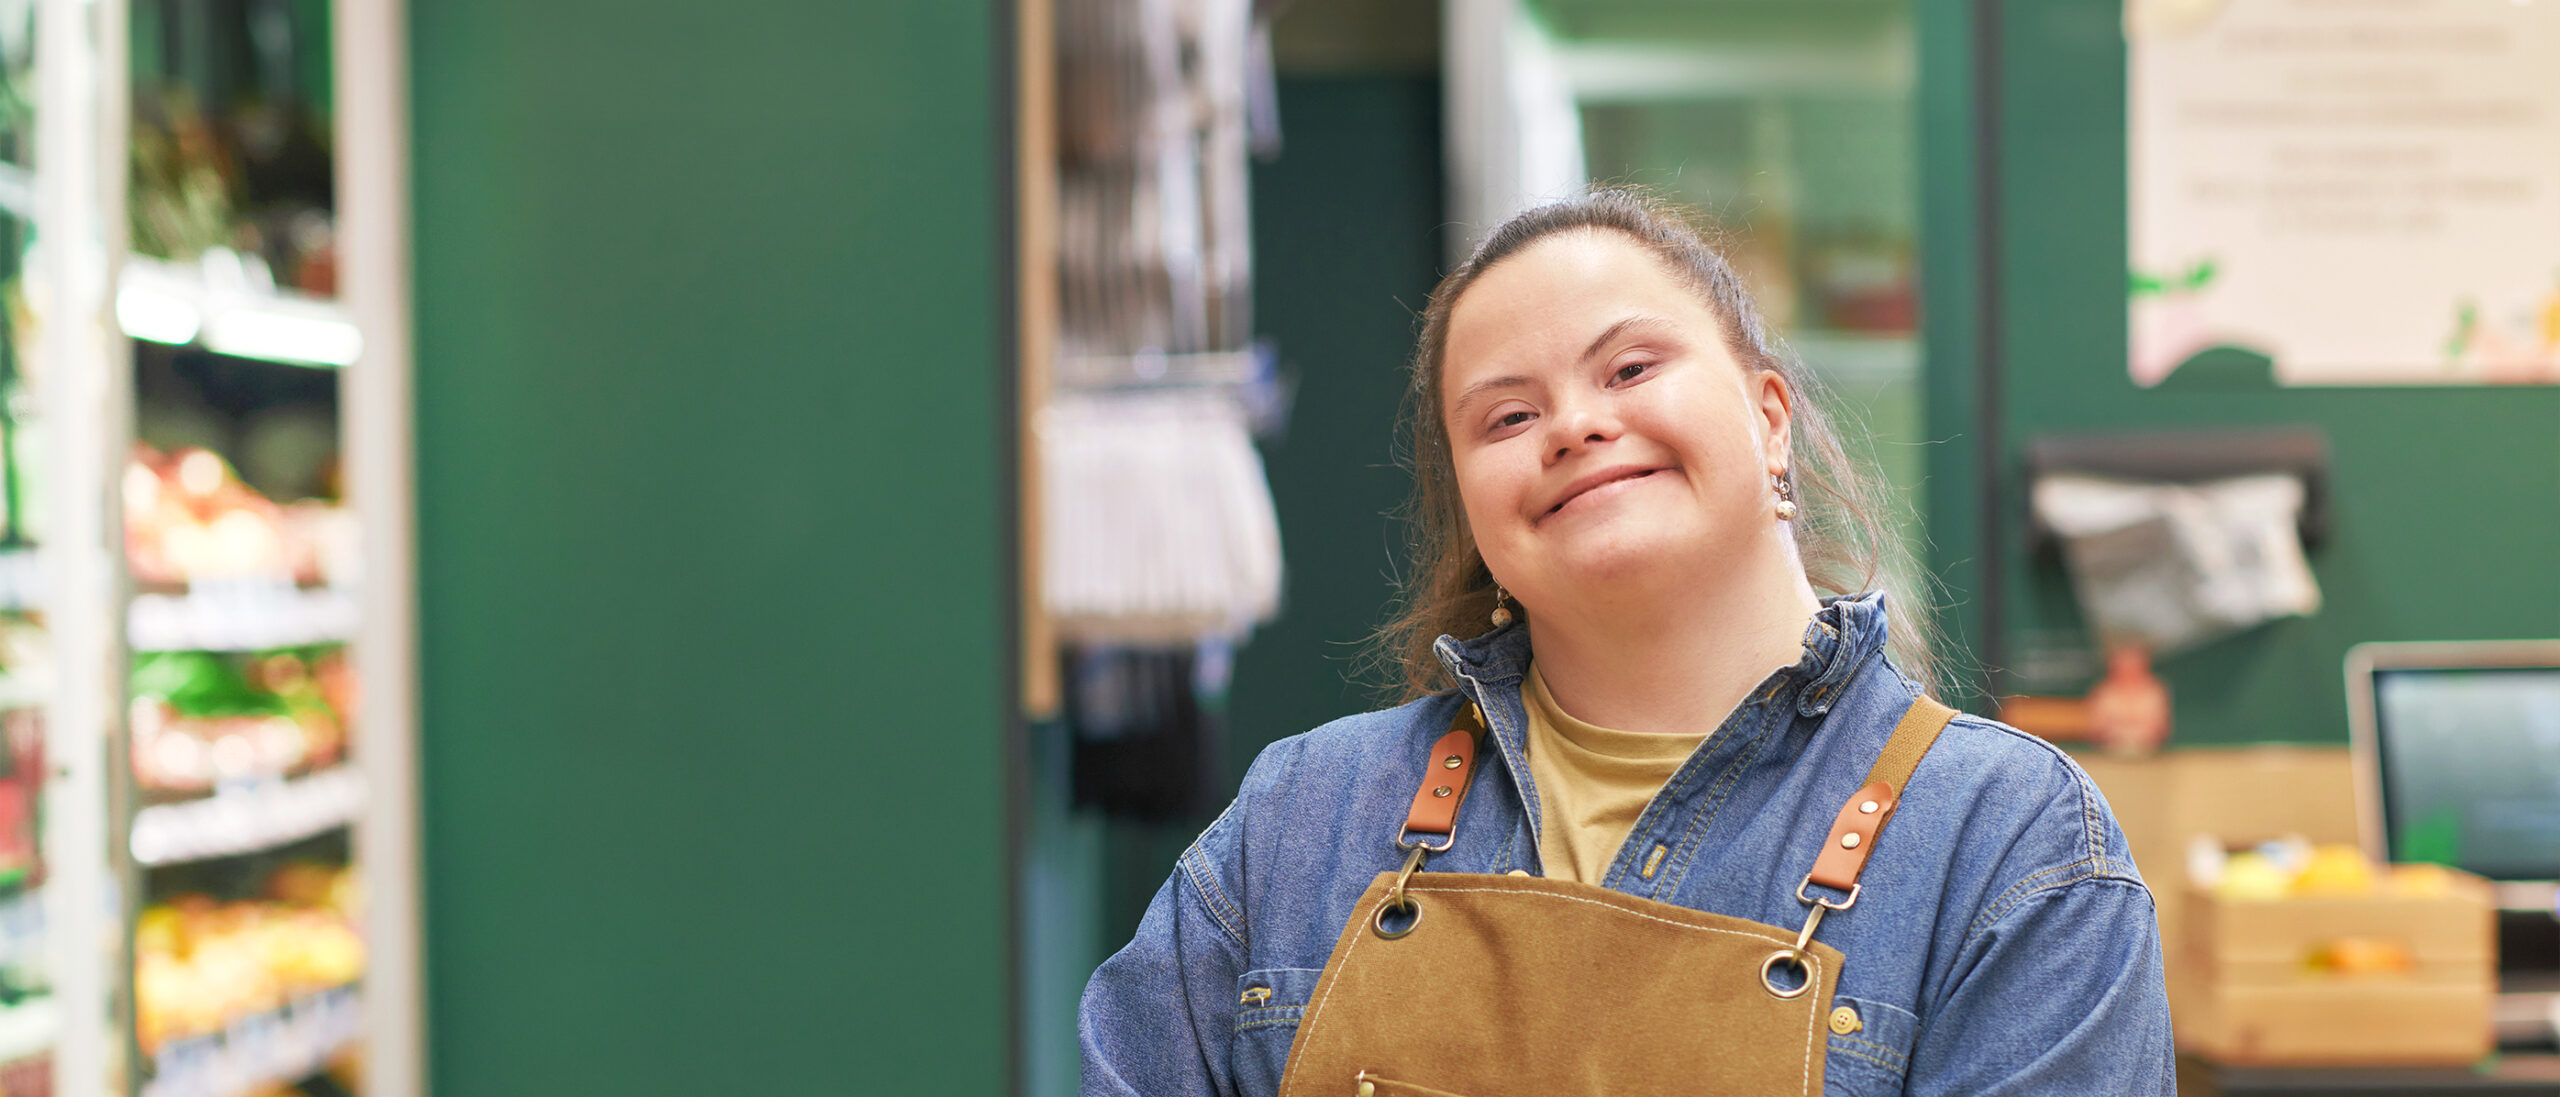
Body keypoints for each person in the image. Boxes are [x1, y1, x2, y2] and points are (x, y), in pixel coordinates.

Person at [1079, 190, 2174, 1097]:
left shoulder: (2009, 845)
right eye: (1505, 417)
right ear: (1471, 506)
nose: (1572, 425)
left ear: (1770, 416)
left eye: (1631, 368)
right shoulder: (1301, 817)